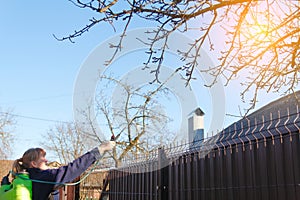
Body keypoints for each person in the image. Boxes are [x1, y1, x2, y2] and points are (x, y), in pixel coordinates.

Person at [11, 141, 116, 200]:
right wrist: (100, 150)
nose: (46, 160)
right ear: (34, 164)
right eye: (43, 158)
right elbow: (73, 168)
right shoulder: (44, 177)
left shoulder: (23, 178)